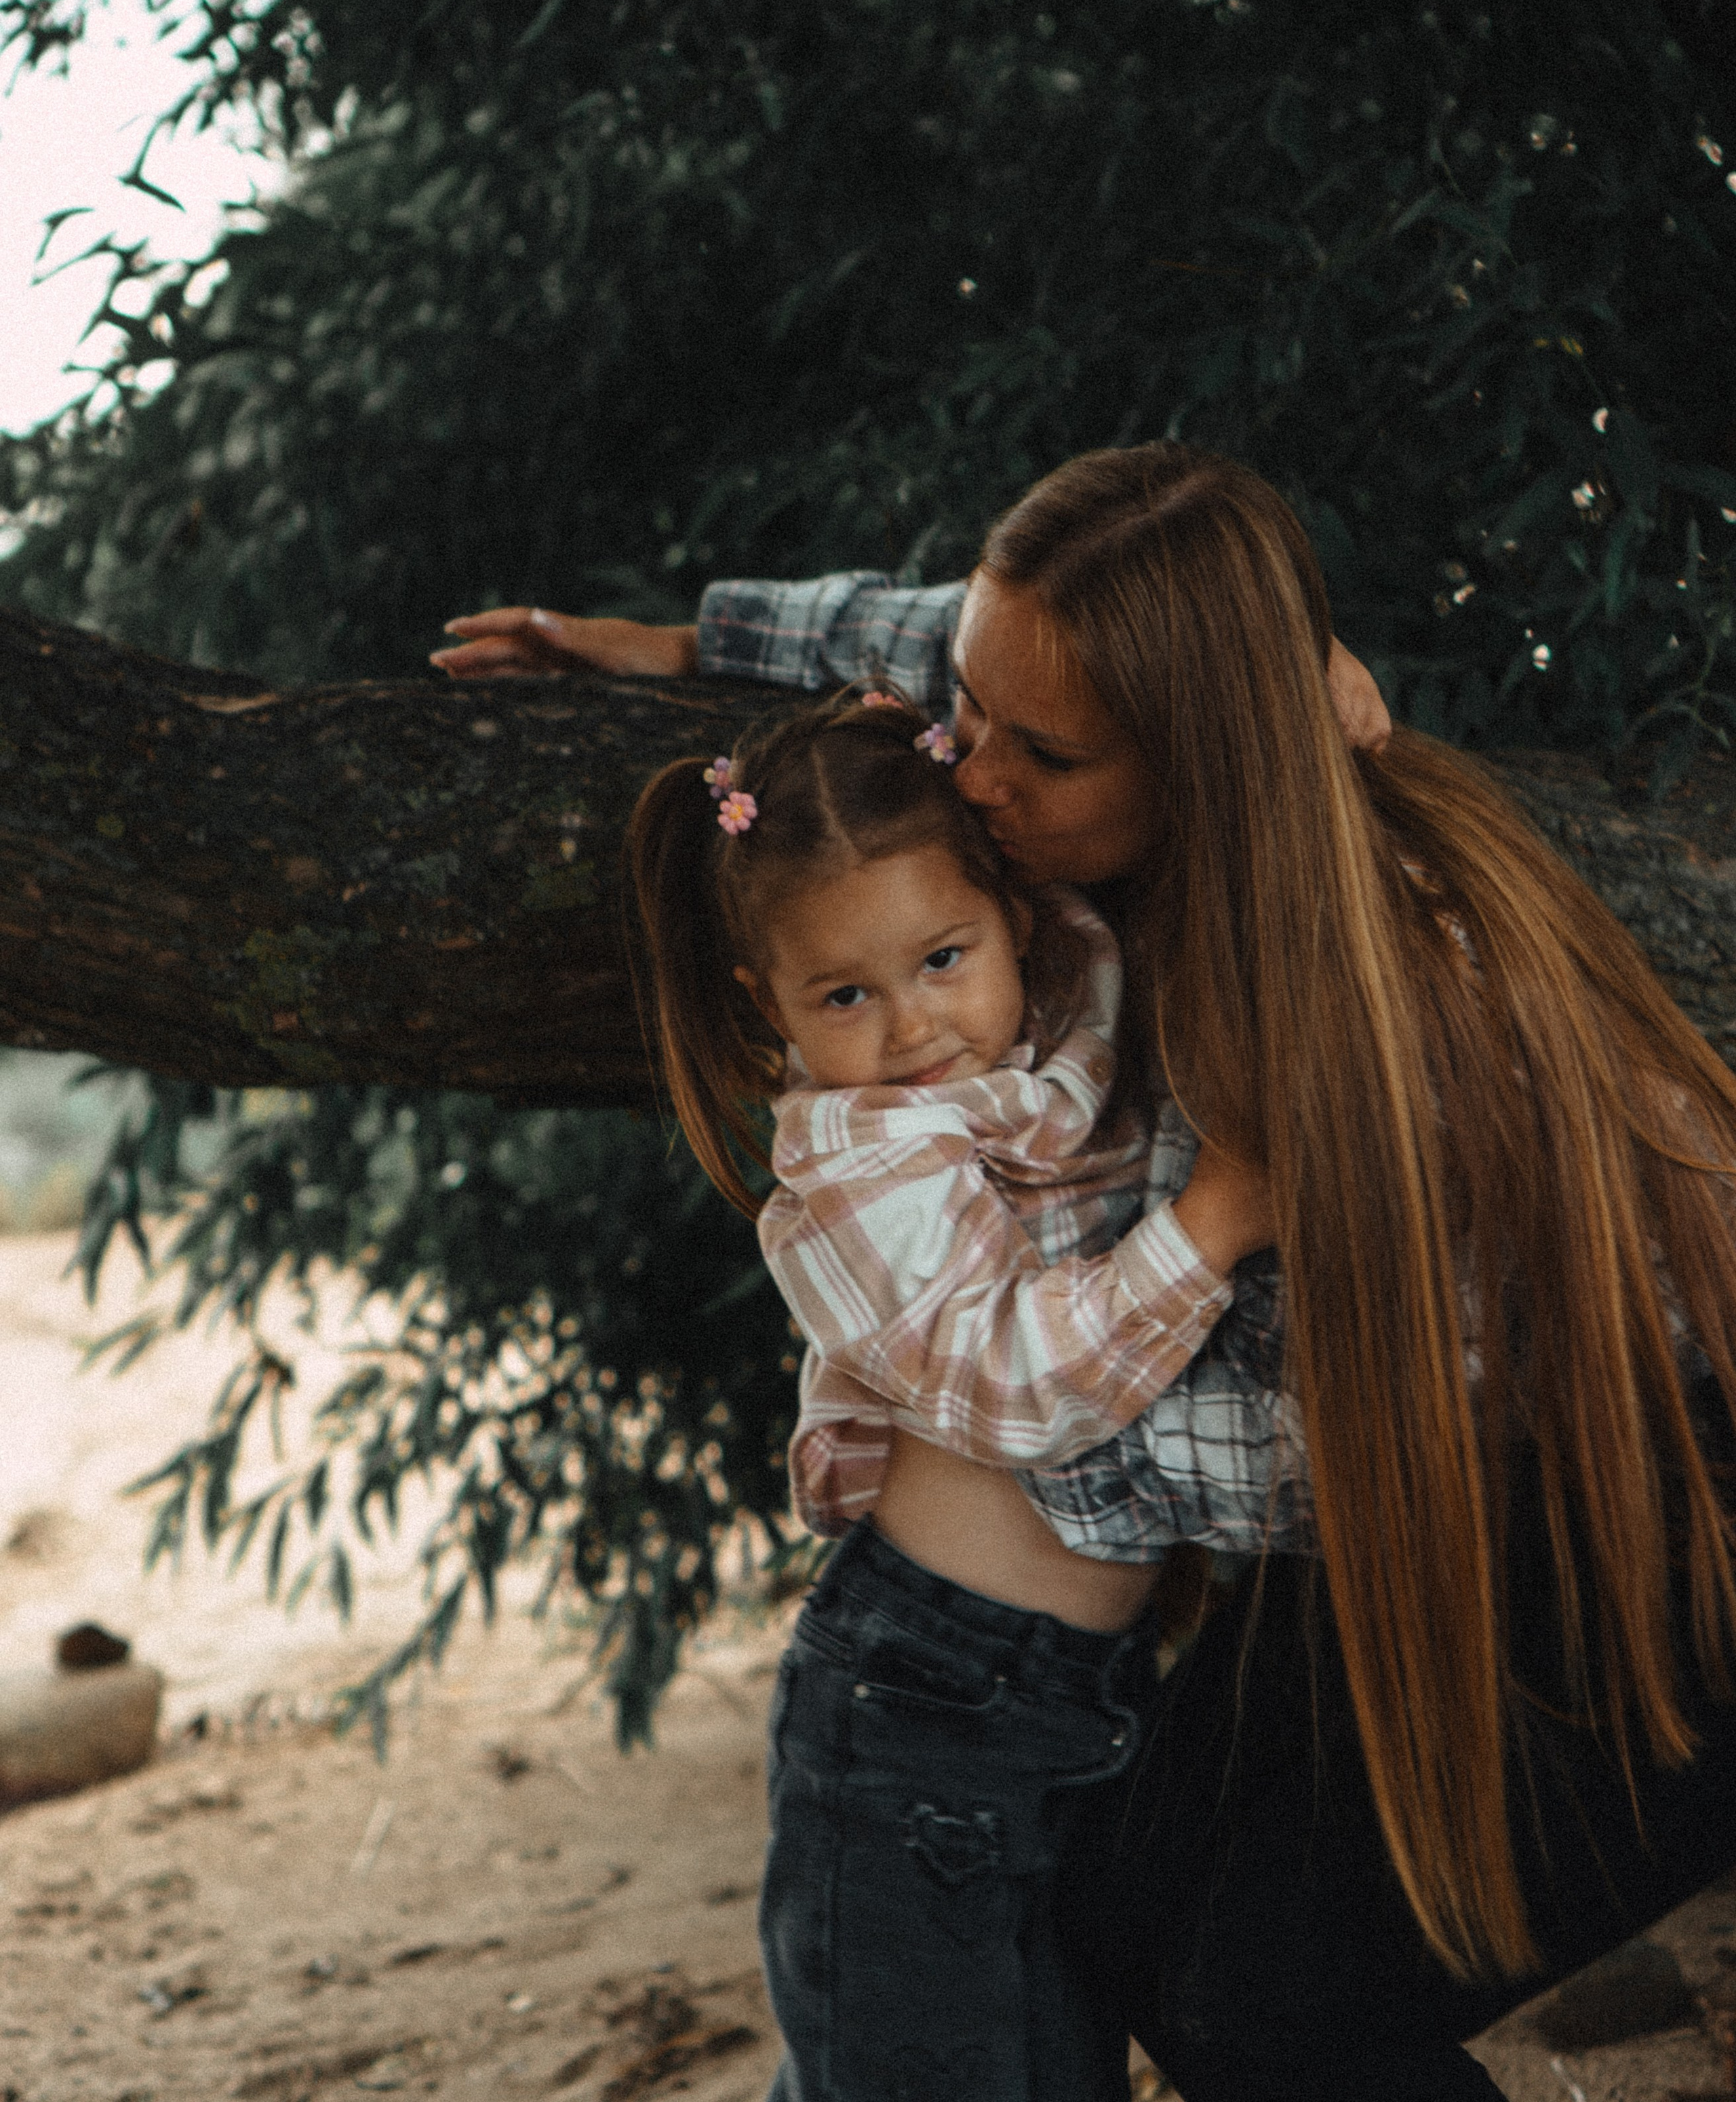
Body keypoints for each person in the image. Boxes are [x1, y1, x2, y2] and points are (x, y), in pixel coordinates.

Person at [436, 442, 1736, 2101]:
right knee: (1104, 1924)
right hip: (1036, 1653)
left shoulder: (1372, 999)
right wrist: (689, 643)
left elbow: (1366, 1445)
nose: (964, 774)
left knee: (1267, 2004)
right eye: (968, 714)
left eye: (1029, 752)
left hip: (1640, 1502)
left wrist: (1014, 1456)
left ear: (1213, 756)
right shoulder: (1046, 806)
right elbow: (973, 657)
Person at [626, 686, 1271, 2102]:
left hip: (1080, 1689)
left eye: (939, 958)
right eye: (844, 996)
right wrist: (1210, 1225)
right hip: (919, 1705)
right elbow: (1021, 1389)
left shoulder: (1063, 995)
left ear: (1015, 913)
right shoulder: (852, 1173)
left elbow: (1081, 685)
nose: (913, 1026)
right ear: (771, 1007)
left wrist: (1322, 688)